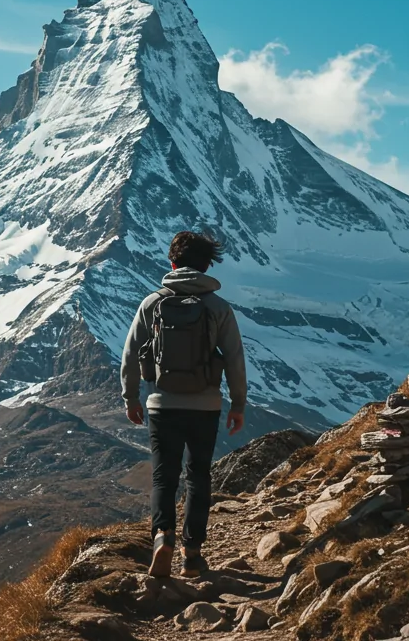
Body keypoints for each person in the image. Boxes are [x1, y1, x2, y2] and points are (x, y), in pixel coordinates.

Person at [120, 230, 247, 578]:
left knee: (164, 476)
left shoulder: (153, 303)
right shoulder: (218, 307)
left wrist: (131, 398)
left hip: (162, 404)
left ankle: (163, 536)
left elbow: (130, 355)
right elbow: (235, 359)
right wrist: (238, 404)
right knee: (199, 475)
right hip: (205, 405)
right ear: (207, 266)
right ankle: (192, 553)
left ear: (171, 263)